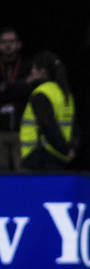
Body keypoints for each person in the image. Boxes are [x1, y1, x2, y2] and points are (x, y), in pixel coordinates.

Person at [18, 52, 74, 171]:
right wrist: (70, 149)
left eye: (34, 67)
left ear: (42, 71)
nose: (32, 71)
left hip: (40, 156)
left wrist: (64, 149)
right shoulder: (65, 93)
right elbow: (74, 127)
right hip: (61, 157)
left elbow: (48, 126)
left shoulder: (41, 94)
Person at [0, 27, 31, 172]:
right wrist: (18, 87)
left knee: (23, 175)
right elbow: (22, 89)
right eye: (4, 42)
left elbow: (29, 91)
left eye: (11, 41)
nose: (8, 45)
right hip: (0, 132)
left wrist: (5, 88)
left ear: (19, 44)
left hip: (22, 131)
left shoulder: (28, 66)